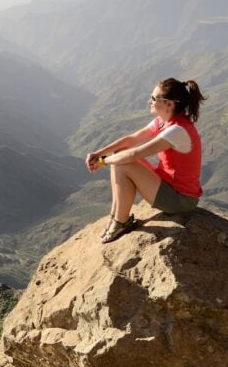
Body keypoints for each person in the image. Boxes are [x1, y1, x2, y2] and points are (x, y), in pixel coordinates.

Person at [85, 78, 206, 243]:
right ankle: (115, 217)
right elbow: (131, 139)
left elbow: (136, 154)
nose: (149, 101)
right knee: (120, 154)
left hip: (180, 200)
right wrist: (98, 153)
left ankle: (121, 221)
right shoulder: (162, 122)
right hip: (168, 185)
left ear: (169, 104)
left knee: (122, 162)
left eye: (154, 98)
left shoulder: (176, 131)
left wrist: (102, 162)